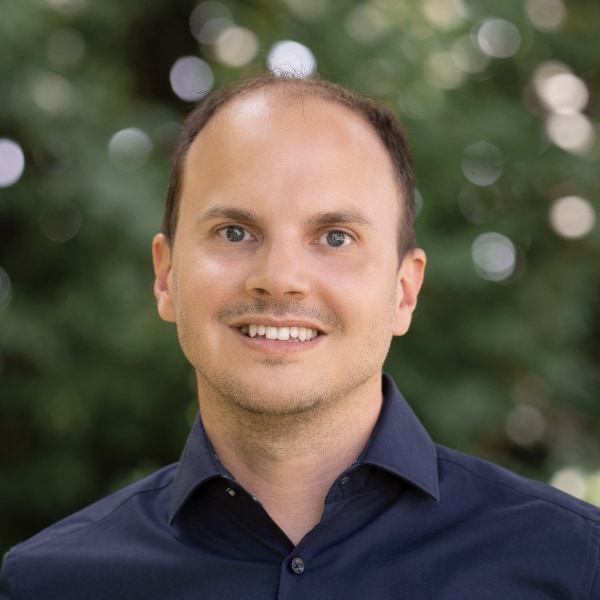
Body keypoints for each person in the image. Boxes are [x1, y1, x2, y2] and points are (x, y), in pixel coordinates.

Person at [1, 73, 599, 599]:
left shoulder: (575, 568)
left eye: (335, 237)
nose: (279, 280)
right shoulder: (45, 584)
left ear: (404, 291)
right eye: (235, 232)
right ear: (165, 276)